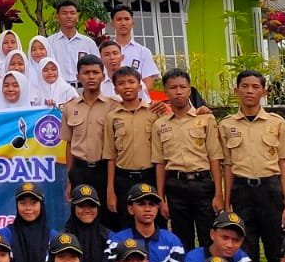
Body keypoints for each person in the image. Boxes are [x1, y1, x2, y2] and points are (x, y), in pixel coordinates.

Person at [218, 70, 285, 262]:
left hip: (270, 189)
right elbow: (227, 166)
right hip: (242, 190)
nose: (249, 91)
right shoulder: (226, 125)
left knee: (276, 243)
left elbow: (283, 164)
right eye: (244, 86)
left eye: (255, 87)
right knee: (245, 245)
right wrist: (227, 204)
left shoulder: (276, 123)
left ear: (264, 92)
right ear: (236, 91)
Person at [154, 68, 224, 251]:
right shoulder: (160, 124)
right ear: (165, 91)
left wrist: (218, 193)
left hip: (202, 185)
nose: (178, 92)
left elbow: (215, 158)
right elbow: (160, 163)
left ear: (189, 89)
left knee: (208, 237)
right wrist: (161, 198)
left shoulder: (206, 119)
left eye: (182, 87)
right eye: (173, 88)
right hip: (175, 187)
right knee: (181, 239)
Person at [107, 181, 187, 262]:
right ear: (130, 209)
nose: (148, 209)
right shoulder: (117, 240)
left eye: (152, 204)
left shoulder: (172, 241)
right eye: (141, 204)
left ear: (157, 208)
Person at [104, 66, 159, 223]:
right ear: (115, 89)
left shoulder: (153, 112)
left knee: (152, 222)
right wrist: (110, 190)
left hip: (149, 177)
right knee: (125, 223)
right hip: (123, 179)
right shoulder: (112, 117)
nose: (127, 86)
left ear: (140, 86)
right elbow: (110, 155)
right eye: (121, 83)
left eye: (131, 82)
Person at [60, 55, 112, 208]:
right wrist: (69, 179)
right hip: (79, 170)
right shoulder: (70, 107)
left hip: (104, 169)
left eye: (95, 73)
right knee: (80, 213)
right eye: (86, 73)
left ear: (103, 76)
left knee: (106, 214)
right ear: (78, 77)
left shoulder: (114, 106)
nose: (91, 77)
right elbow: (69, 144)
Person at [62, 183, 110, 262]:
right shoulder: (64, 239)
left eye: (92, 205)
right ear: (73, 207)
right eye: (81, 205)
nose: (87, 210)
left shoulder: (109, 236)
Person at [8, 181, 52, 262]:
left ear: (41, 205)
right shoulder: (6, 234)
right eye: (22, 203)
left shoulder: (52, 236)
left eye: (33, 203)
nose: (28, 208)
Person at [46, 0, 101, 82]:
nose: (69, 16)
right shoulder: (49, 43)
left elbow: (98, 67)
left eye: (72, 13)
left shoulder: (89, 43)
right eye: (64, 13)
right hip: (58, 87)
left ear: (77, 17)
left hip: (83, 87)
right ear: (57, 17)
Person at [108, 7, 161, 91]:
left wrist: (133, 95)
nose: (123, 23)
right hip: (111, 97)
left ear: (132, 23)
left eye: (126, 19)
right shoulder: (105, 52)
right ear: (112, 24)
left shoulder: (144, 52)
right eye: (119, 19)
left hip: (137, 97)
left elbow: (148, 82)